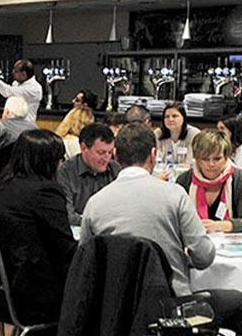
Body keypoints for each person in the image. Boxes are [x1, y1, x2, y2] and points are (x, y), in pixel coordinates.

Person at [0, 129, 77, 336]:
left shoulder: (1, 185)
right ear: (48, 160)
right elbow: (65, 245)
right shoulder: (45, 192)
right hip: (31, 293)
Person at [81, 122, 212, 298]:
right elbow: (204, 257)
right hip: (170, 305)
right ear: (153, 154)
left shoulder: (95, 203)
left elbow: (85, 263)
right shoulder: (175, 195)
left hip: (114, 307)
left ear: (116, 156)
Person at [176, 129, 242, 233]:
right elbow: (175, 220)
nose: (211, 164)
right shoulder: (184, 181)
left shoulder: (239, 179)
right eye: (205, 159)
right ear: (197, 159)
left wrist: (224, 225)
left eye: (217, 159)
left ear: (226, 157)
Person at [56, 123, 120, 226]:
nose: (107, 158)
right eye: (101, 152)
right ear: (83, 147)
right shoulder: (66, 172)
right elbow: (67, 216)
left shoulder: (115, 169)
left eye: (110, 152)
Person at [0, 57, 43, 123]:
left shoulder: (34, 88)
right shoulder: (16, 83)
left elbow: (7, 91)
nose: (13, 73)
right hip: (11, 123)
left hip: (25, 125)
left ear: (24, 74)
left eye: (16, 71)